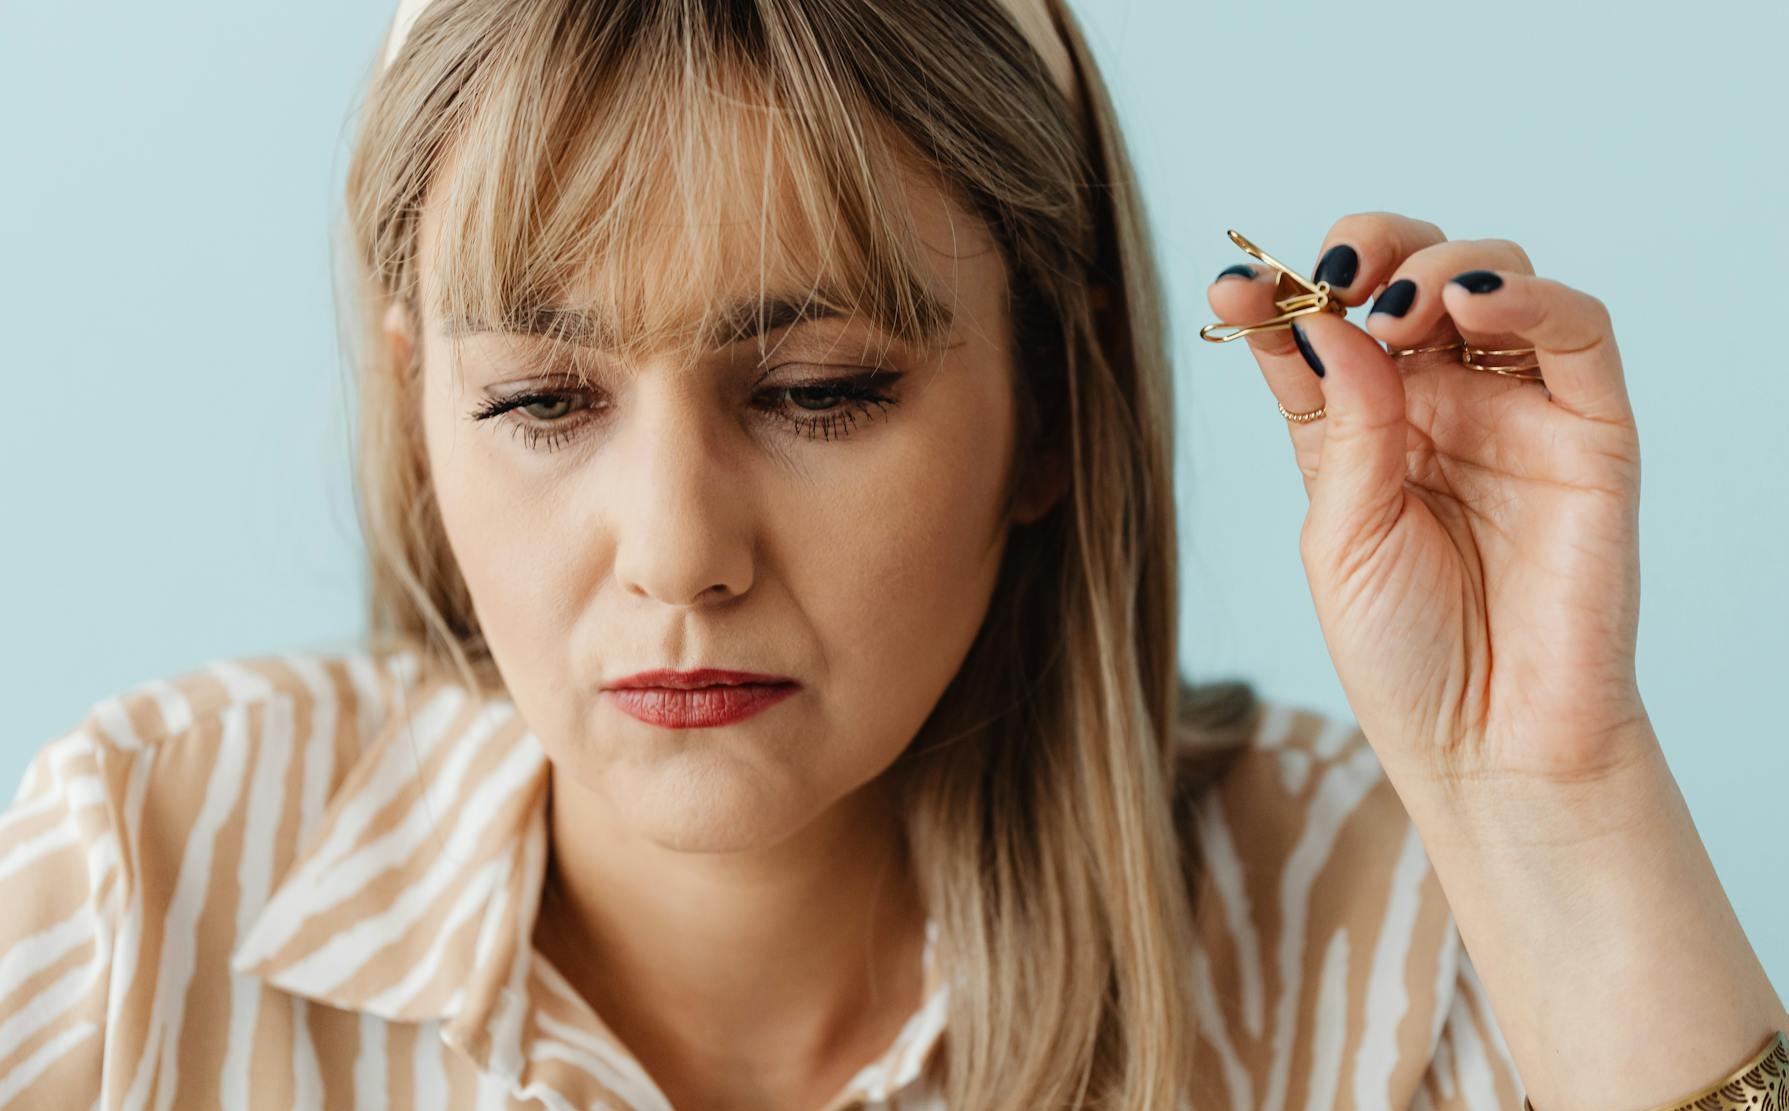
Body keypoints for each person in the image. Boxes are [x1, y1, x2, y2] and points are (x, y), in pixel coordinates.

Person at [2, 0, 1783, 1108]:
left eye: (822, 389)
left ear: (1055, 408)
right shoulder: (142, 890)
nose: (679, 554)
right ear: (416, 414)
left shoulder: (1390, 946)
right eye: (544, 400)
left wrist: (1549, 796)